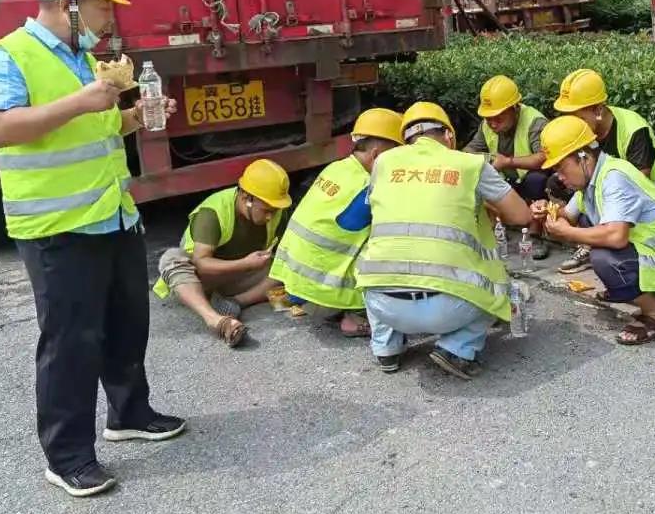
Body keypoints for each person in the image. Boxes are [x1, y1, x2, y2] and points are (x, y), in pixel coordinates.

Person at [0, 0, 184, 497]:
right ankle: (67, 456)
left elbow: (96, 129)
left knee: (126, 323)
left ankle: (129, 413)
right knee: (70, 342)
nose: (109, 18)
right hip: (56, 229)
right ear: (67, 2)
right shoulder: (8, 56)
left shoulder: (83, 61)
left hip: (112, 215)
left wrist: (135, 116)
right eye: (102, 5)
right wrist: (83, 102)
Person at [356, 101, 532, 379]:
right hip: (445, 308)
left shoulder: (383, 163)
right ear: (449, 136)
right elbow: (521, 215)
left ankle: (386, 348)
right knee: (497, 287)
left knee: (384, 257)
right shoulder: (470, 164)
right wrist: (483, 204)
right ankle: (457, 349)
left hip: (382, 303)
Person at [534, 116, 655, 345]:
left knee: (604, 256)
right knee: (590, 227)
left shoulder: (614, 178)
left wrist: (567, 233)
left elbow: (616, 237)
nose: (559, 177)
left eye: (561, 168)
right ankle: (635, 290)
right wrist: (547, 210)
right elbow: (568, 215)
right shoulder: (592, 181)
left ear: (583, 157)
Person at [268, 109, 404, 337]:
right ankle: (355, 315)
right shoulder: (369, 187)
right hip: (325, 292)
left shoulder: (336, 168)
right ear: (377, 154)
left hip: (296, 284)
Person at [154, 159, 292, 347]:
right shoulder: (213, 212)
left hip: (241, 279)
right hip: (201, 279)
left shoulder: (278, 214)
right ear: (246, 197)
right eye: (266, 210)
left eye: (275, 211)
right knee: (171, 258)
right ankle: (216, 320)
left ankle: (235, 303)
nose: (271, 216)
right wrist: (246, 264)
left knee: (285, 263)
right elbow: (201, 263)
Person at [551, 69, 655, 275]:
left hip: (644, 208)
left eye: (577, 116)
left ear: (598, 109)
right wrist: (561, 213)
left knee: (605, 252)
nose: (572, 123)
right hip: (609, 199)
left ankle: (599, 246)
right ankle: (594, 243)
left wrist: (569, 230)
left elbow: (635, 186)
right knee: (557, 182)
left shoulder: (633, 129)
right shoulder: (585, 133)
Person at [464, 75, 549, 259]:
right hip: (506, 181)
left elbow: (544, 157)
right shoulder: (487, 125)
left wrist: (508, 162)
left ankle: (534, 233)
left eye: (498, 118)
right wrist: (481, 161)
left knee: (537, 179)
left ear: (514, 108)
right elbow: (469, 151)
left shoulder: (535, 122)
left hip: (529, 180)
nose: (493, 124)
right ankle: (496, 228)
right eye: (488, 119)